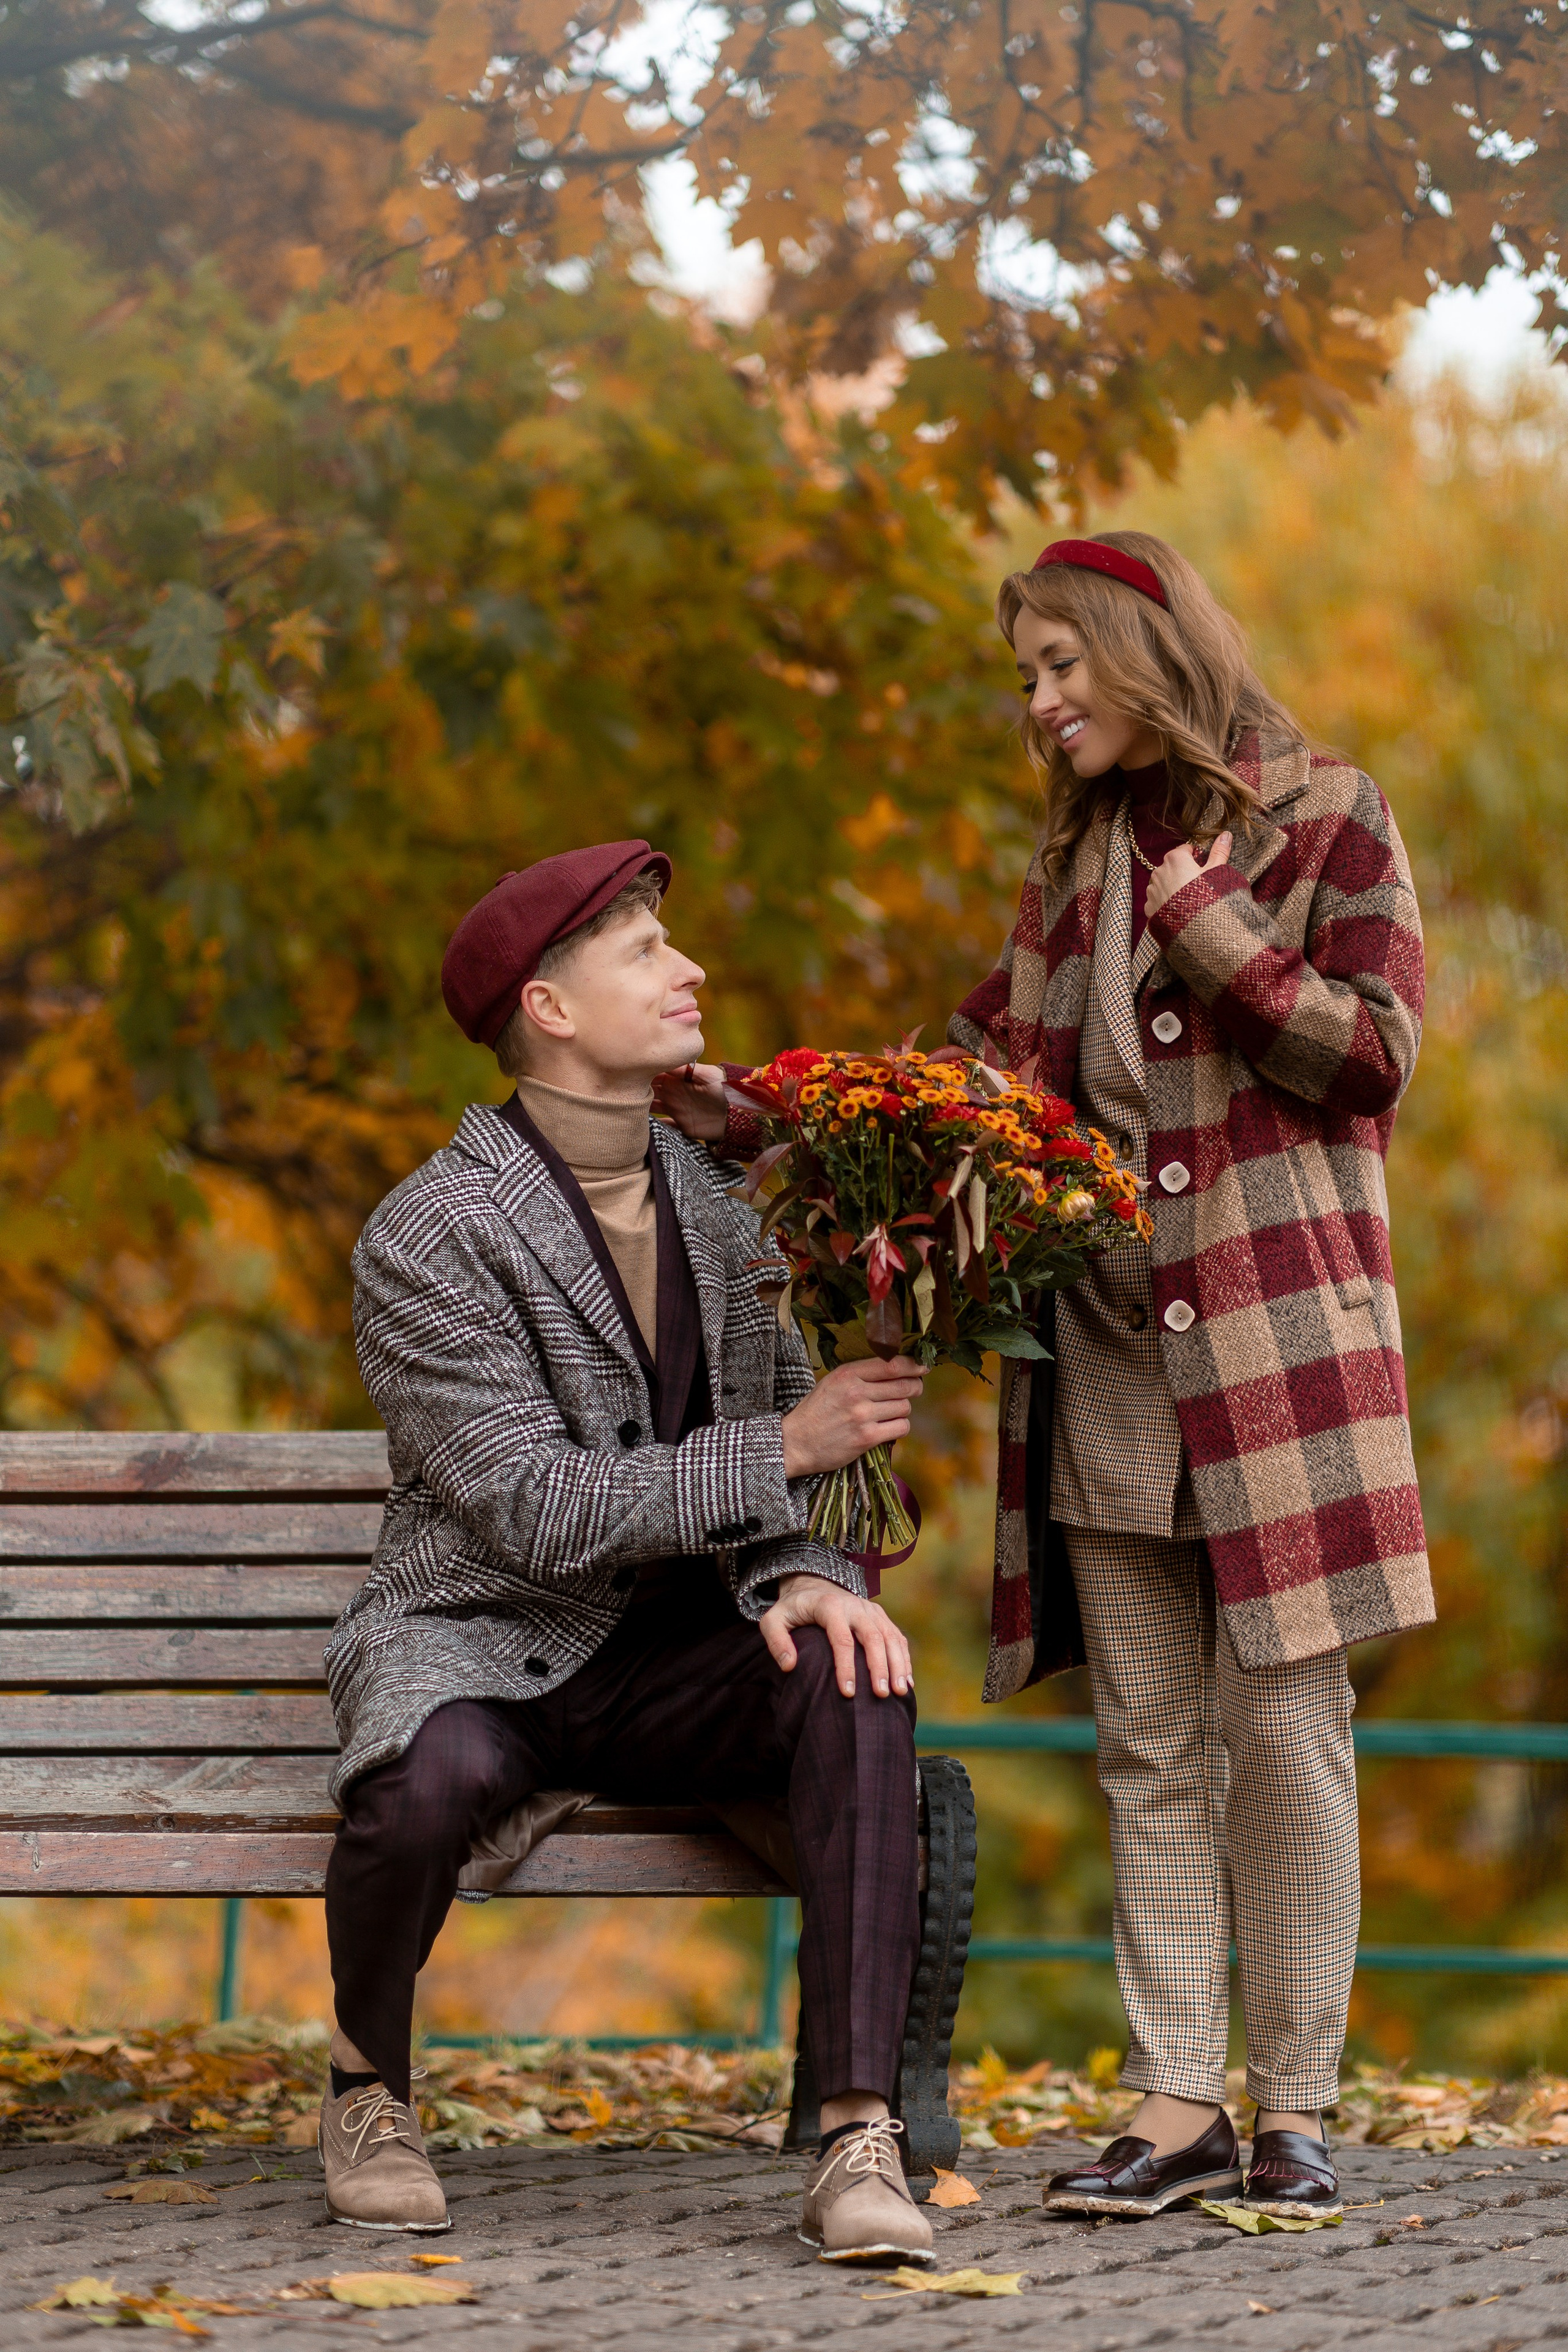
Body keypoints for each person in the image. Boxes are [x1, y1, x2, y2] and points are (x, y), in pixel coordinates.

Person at [319, 840, 935, 2264]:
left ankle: (857, 2136)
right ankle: (366, 2084)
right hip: (488, 1640)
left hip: (685, 1649)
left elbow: (799, 1431)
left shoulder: (725, 1207)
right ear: (546, 1007)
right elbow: (530, 1506)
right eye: (645, 949)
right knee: (421, 1787)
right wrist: (784, 1454)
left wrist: (806, 1575)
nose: (689, 969)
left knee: (856, 1675)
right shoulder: (430, 1232)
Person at [946, 533, 1433, 2219]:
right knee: (1149, 1740)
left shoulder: (1330, 812)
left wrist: (1218, 929)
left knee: (1286, 1720)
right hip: (1106, 1348)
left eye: (1059, 667)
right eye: (1029, 677)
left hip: (1278, 1348)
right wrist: (811, 1112)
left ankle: (1293, 2105)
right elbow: (995, 1072)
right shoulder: (1070, 852)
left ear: (1141, 648)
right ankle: (1175, 2105)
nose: (1040, 702)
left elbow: (1377, 1055)